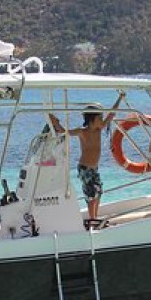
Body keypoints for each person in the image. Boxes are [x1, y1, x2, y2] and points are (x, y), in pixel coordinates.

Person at [49, 92, 125, 224]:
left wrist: (120, 98)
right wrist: (55, 122)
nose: (102, 121)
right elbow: (64, 132)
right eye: (100, 118)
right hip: (85, 168)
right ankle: (92, 219)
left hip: (94, 168)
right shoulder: (82, 131)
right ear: (91, 119)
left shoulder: (99, 129)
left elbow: (112, 114)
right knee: (91, 195)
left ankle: (94, 217)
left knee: (99, 191)